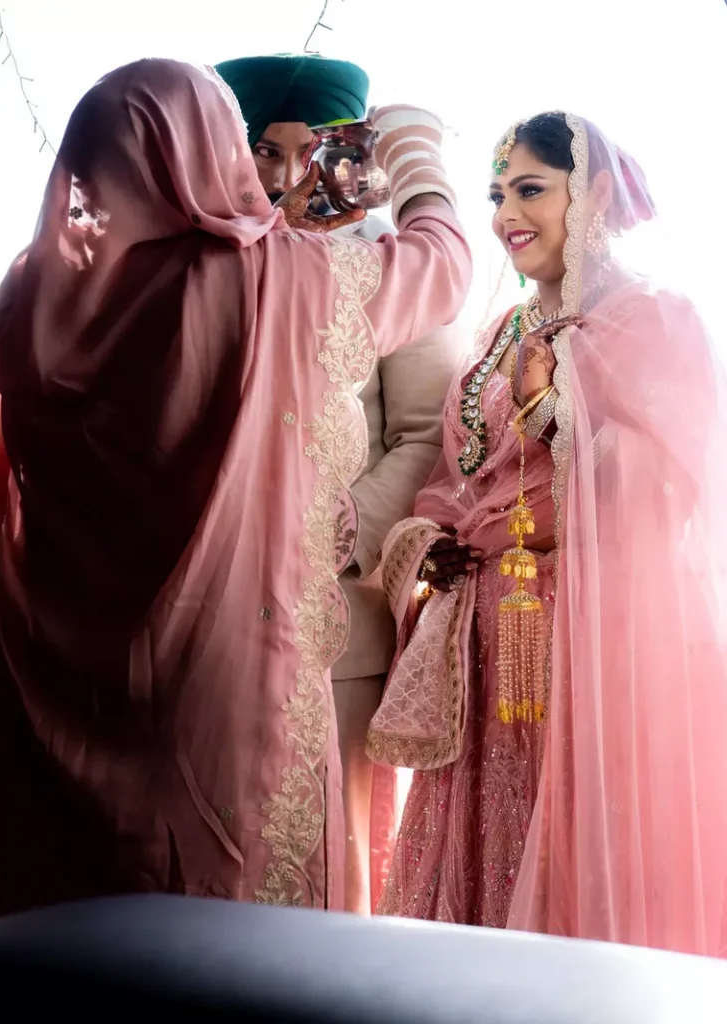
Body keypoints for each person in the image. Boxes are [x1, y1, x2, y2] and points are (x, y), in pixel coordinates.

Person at [0, 59, 470, 919]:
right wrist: (418, 158)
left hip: (58, 689)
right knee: (220, 921)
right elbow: (442, 268)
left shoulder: (33, 291)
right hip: (218, 679)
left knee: (76, 931)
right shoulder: (271, 280)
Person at [367, 112, 727, 973]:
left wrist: (552, 410)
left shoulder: (653, 319)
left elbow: (666, 491)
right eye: (499, 194)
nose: (508, 213)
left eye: (532, 189)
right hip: (482, 648)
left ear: (596, 194)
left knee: (584, 866)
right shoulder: (497, 336)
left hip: (594, 654)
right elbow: (455, 478)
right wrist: (425, 539)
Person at [215, 52, 464, 914]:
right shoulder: (207, 265)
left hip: (336, 615)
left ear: (351, 153)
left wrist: (326, 531)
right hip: (216, 614)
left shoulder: (382, 264)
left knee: (336, 862)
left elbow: (429, 435)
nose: (287, 177)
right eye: (264, 151)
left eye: (309, 150)